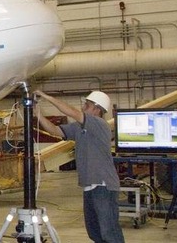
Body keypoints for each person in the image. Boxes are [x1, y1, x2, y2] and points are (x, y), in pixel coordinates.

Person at [33, 90, 125, 243]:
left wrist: (46, 96)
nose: (83, 107)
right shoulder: (79, 127)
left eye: (87, 105)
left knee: (109, 232)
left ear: (97, 109)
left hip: (103, 186)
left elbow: (73, 112)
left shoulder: (99, 124)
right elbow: (55, 131)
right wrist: (39, 114)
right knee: (95, 233)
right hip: (89, 186)